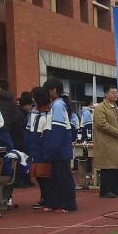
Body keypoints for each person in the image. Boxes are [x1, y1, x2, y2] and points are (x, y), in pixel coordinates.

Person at [41, 77, 77, 212]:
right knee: (56, 177)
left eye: (46, 91)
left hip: (60, 149)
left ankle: (68, 204)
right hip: (57, 149)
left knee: (63, 178)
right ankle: (55, 203)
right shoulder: (55, 105)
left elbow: (58, 129)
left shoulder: (57, 105)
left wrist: (53, 148)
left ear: (53, 91)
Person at [92, 85, 118, 198]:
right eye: (113, 92)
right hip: (106, 142)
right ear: (106, 94)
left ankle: (116, 189)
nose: (115, 95)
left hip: (116, 142)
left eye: (116, 92)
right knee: (107, 167)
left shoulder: (116, 107)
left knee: (116, 167)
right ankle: (105, 190)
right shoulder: (100, 108)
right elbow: (101, 124)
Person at [26, 87, 51, 208]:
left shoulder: (49, 112)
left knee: (44, 175)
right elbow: (28, 130)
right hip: (34, 146)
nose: (33, 101)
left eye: (34, 99)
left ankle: (47, 198)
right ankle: (44, 197)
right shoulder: (33, 113)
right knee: (38, 175)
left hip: (44, 147)